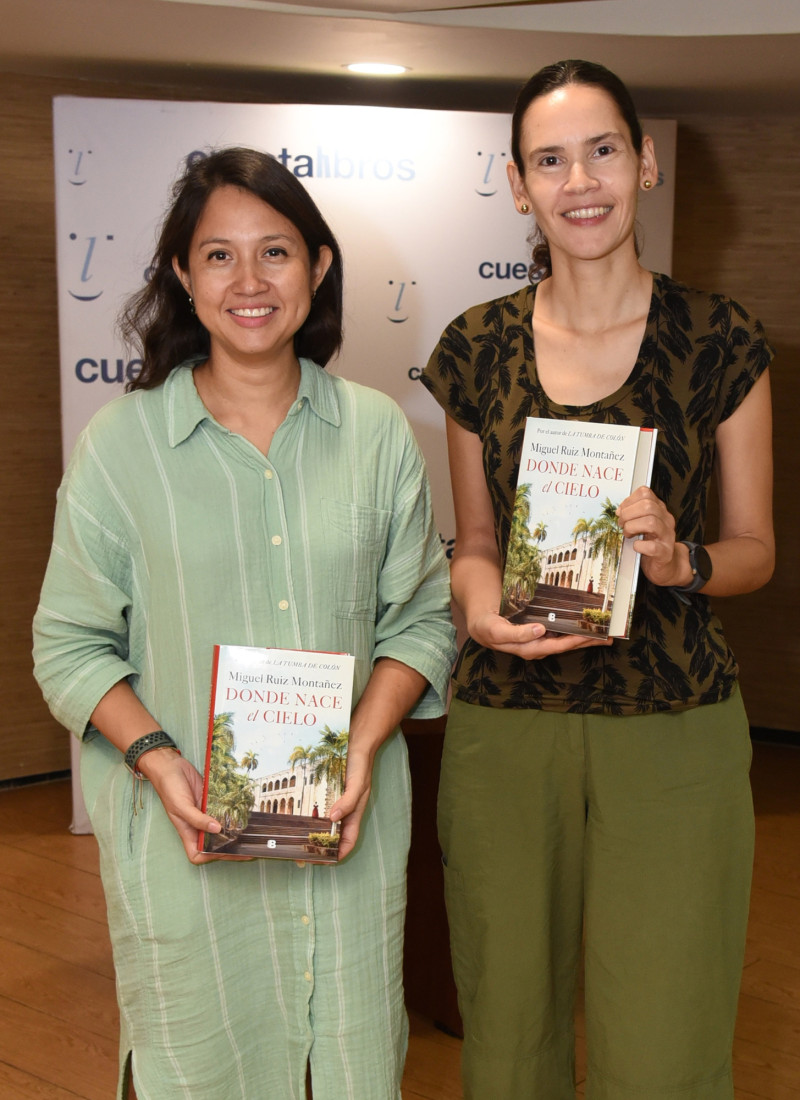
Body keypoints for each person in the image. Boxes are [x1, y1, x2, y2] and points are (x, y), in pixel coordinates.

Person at [34, 147, 456, 1100]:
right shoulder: (122, 446)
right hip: (187, 842)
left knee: (349, 1071)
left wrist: (362, 742)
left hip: (346, 834)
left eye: (275, 252)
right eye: (218, 256)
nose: (250, 281)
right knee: (198, 1066)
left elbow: (422, 619)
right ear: (183, 277)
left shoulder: (378, 431)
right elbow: (68, 644)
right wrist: (155, 758)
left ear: (318, 266)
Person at [421, 60, 773, 1100]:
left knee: (663, 1038)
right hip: (506, 722)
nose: (579, 180)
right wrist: (476, 605)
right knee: (506, 1032)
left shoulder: (720, 338)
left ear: (644, 160)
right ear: (517, 182)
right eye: (549, 158)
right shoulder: (473, 347)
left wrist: (682, 558)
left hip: (673, 722)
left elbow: (755, 547)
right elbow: (473, 542)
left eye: (602, 150)